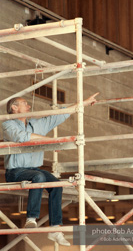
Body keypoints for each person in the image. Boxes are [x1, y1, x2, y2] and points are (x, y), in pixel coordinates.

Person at [2, 93, 98, 246]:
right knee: (39, 177)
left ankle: (55, 229)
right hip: (16, 171)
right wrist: (50, 141)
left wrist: (83, 103)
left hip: (33, 169)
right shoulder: (8, 124)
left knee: (56, 184)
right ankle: (31, 219)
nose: (28, 106)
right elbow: (22, 137)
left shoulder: (37, 124)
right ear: (14, 108)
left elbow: (61, 115)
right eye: (24, 103)